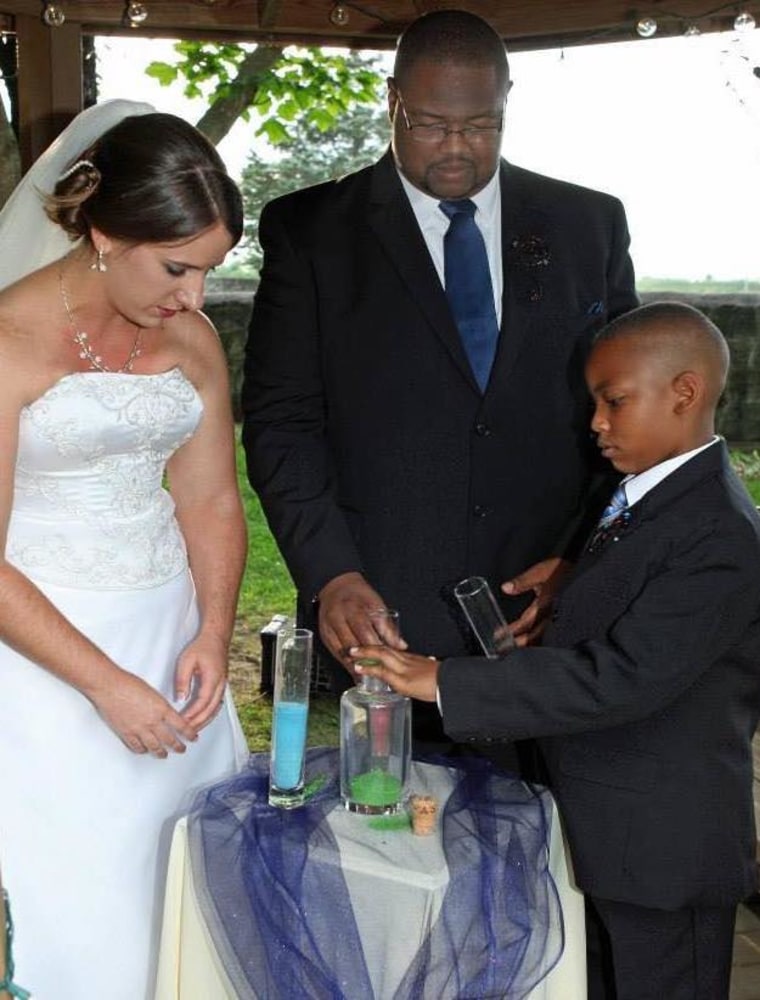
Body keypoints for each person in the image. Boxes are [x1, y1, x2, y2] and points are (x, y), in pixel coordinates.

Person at [242, 9, 638, 745]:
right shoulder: (311, 232)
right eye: (428, 125)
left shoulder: (590, 224)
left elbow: (631, 415)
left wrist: (584, 562)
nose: (456, 150)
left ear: (507, 102)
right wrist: (331, 574)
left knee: (551, 837)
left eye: (481, 126)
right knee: (392, 839)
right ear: (391, 100)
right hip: (381, 609)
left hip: (545, 614)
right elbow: (282, 422)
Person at [350, 301, 760, 1000]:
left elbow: (622, 678)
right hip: (613, 829)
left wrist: (445, 680)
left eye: (613, 401)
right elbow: (644, 590)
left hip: (662, 848)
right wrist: (579, 582)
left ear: (685, 392)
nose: (596, 422)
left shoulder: (720, 533)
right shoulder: (654, 497)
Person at [0, 100, 249, 999]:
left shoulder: (190, 338)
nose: (194, 297)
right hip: (46, 657)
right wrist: (106, 685)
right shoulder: (7, 343)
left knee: (188, 893)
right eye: (178, 268)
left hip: (168, 630)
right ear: (104, 231)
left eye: (211, 272)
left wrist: (213, 633)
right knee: (92, 909)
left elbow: (214, 498)